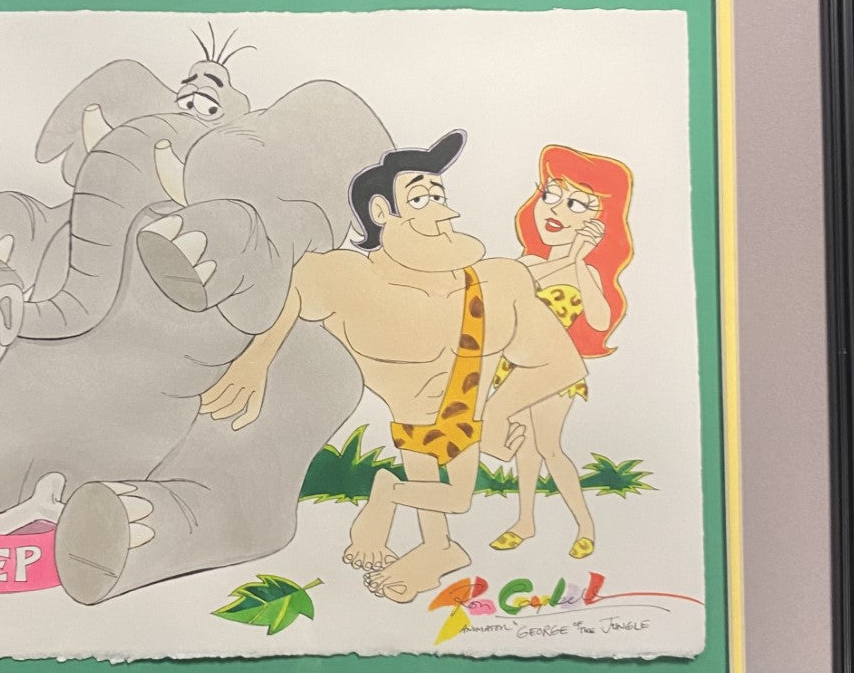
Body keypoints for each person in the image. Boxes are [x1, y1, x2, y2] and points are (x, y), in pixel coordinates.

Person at [198, 131, 585, 603]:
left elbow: (561, 363)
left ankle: (430, 539)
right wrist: (256, 358)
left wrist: (499, 413)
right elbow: (298, 285)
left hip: (469, 415)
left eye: (439, 195)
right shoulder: (348, 278)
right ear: (382, 212)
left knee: (458, 499)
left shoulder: (498, 280)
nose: (441, 211)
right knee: (442, 490)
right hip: (412, 422)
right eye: (419, 198)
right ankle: (422, 532)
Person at [487, 145, 634, 559]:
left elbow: (600, 321)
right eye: (551, 194)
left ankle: (585, 527)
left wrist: (579, 263)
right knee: (525, 449)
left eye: (577, 203)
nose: (556, 209)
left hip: (554, 371)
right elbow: (518, 285)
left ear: (598, 222)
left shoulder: (586, 271)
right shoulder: (527, 263)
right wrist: (568, 257)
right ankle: (525, 522)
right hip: (515, 366)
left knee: (549, 448)